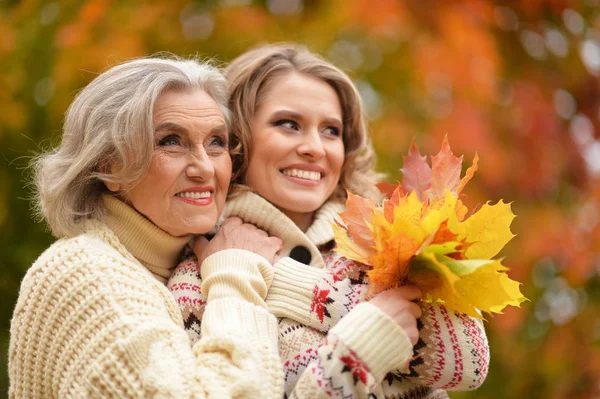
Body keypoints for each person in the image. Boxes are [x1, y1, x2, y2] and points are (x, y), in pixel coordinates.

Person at [169, 44, 489, 398]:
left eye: (331, 131)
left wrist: (288, 282)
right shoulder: (204, 276)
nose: (315, 148)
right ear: (236, 140)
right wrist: (357, 351)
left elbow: (469, 361)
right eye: (288, 124)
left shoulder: (380, 243)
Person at [9, 56, 285, 398]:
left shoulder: (188, 264)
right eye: (171, 141)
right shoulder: (87, 273)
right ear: (109, 165)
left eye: (216, 142)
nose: (204, 168)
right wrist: (236, 278)